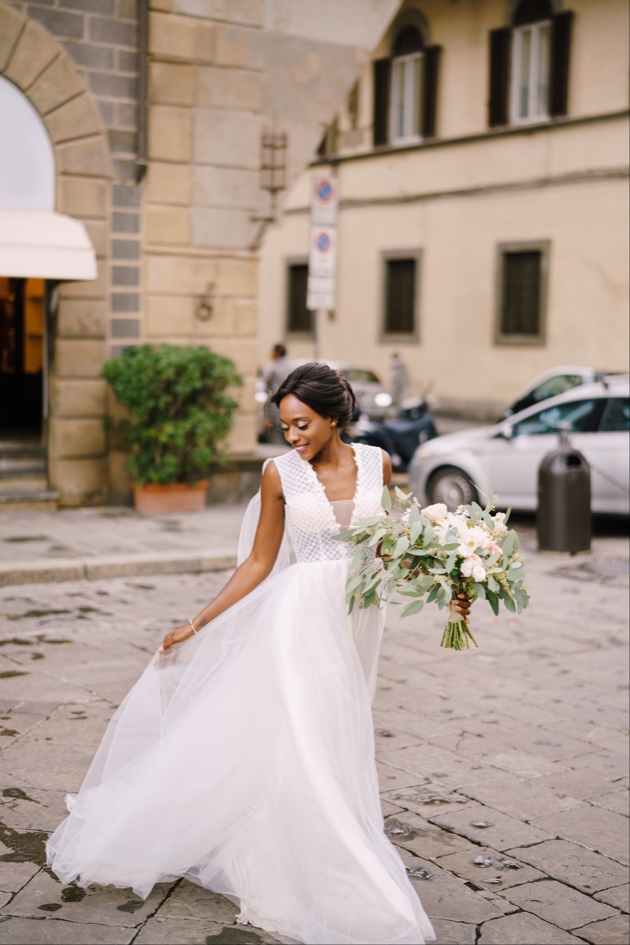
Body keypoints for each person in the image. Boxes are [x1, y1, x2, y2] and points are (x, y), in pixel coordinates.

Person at [46, 362, 470, 945]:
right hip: (300, 620)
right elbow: (258, 563)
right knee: (310, 740)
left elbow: (395, 544)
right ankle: (348, 881)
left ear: (333, 416)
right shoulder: (278, 475)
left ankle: (275, 834)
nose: (292, 436)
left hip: (360, 615)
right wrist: (194, 624)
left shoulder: (378, 463)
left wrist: (457, 569)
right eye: (284, 425)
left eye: (301, 424)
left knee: (337, 732)